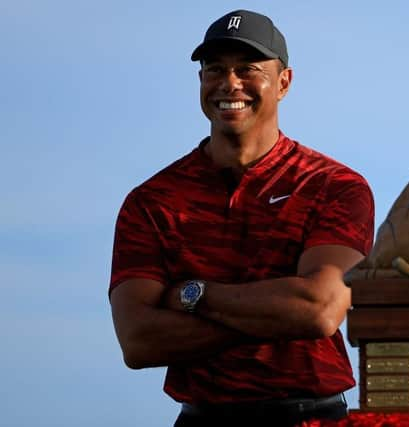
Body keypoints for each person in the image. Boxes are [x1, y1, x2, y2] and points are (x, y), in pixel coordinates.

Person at [109, 9, 374, 427]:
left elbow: (319, 310)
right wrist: (278, 315)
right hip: (202, 419)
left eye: (248, 69)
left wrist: (193, 296)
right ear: (200, 82)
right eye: (215, 69)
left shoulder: (334, 186)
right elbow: (138, 340)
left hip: (312, 415)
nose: (230, 83)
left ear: (284, 83)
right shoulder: (152, 201)